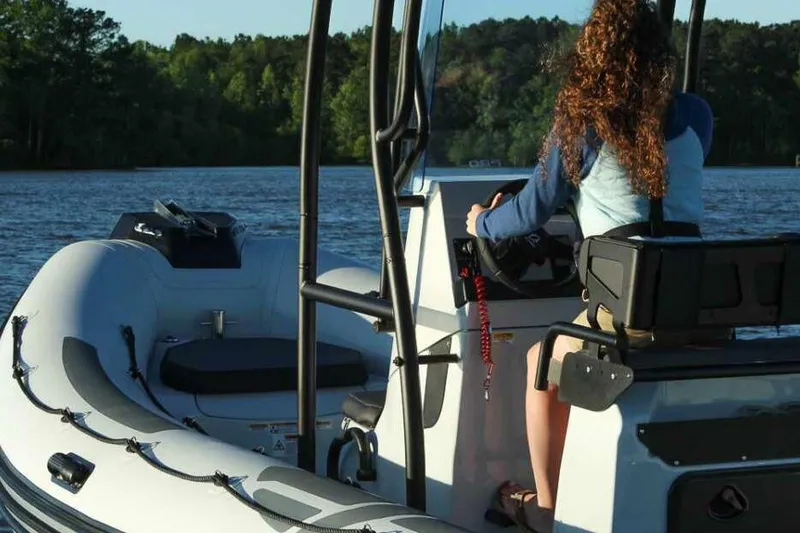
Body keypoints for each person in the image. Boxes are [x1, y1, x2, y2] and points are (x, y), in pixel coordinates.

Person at [464, 0, 728, 531]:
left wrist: (479, 226)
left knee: (541, 362)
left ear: (593, 55)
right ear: (659, 55)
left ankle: (545, 507)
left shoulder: (583, 124)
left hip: (629, 322)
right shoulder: (695, 115)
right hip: (702, 317)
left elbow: (531, 209)